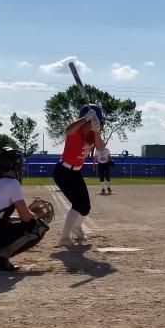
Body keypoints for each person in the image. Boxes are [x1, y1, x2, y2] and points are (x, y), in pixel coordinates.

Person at [52, 104, 104, 246]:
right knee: (78, 203)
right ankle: (64, 239)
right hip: (63, 172)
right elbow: (68, 130)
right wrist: (85, 118)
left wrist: (97, 131)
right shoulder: (76, 130)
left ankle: (76, 227)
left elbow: (101, 148)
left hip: (75, 173)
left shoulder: (93, 134)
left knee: (86, 207)